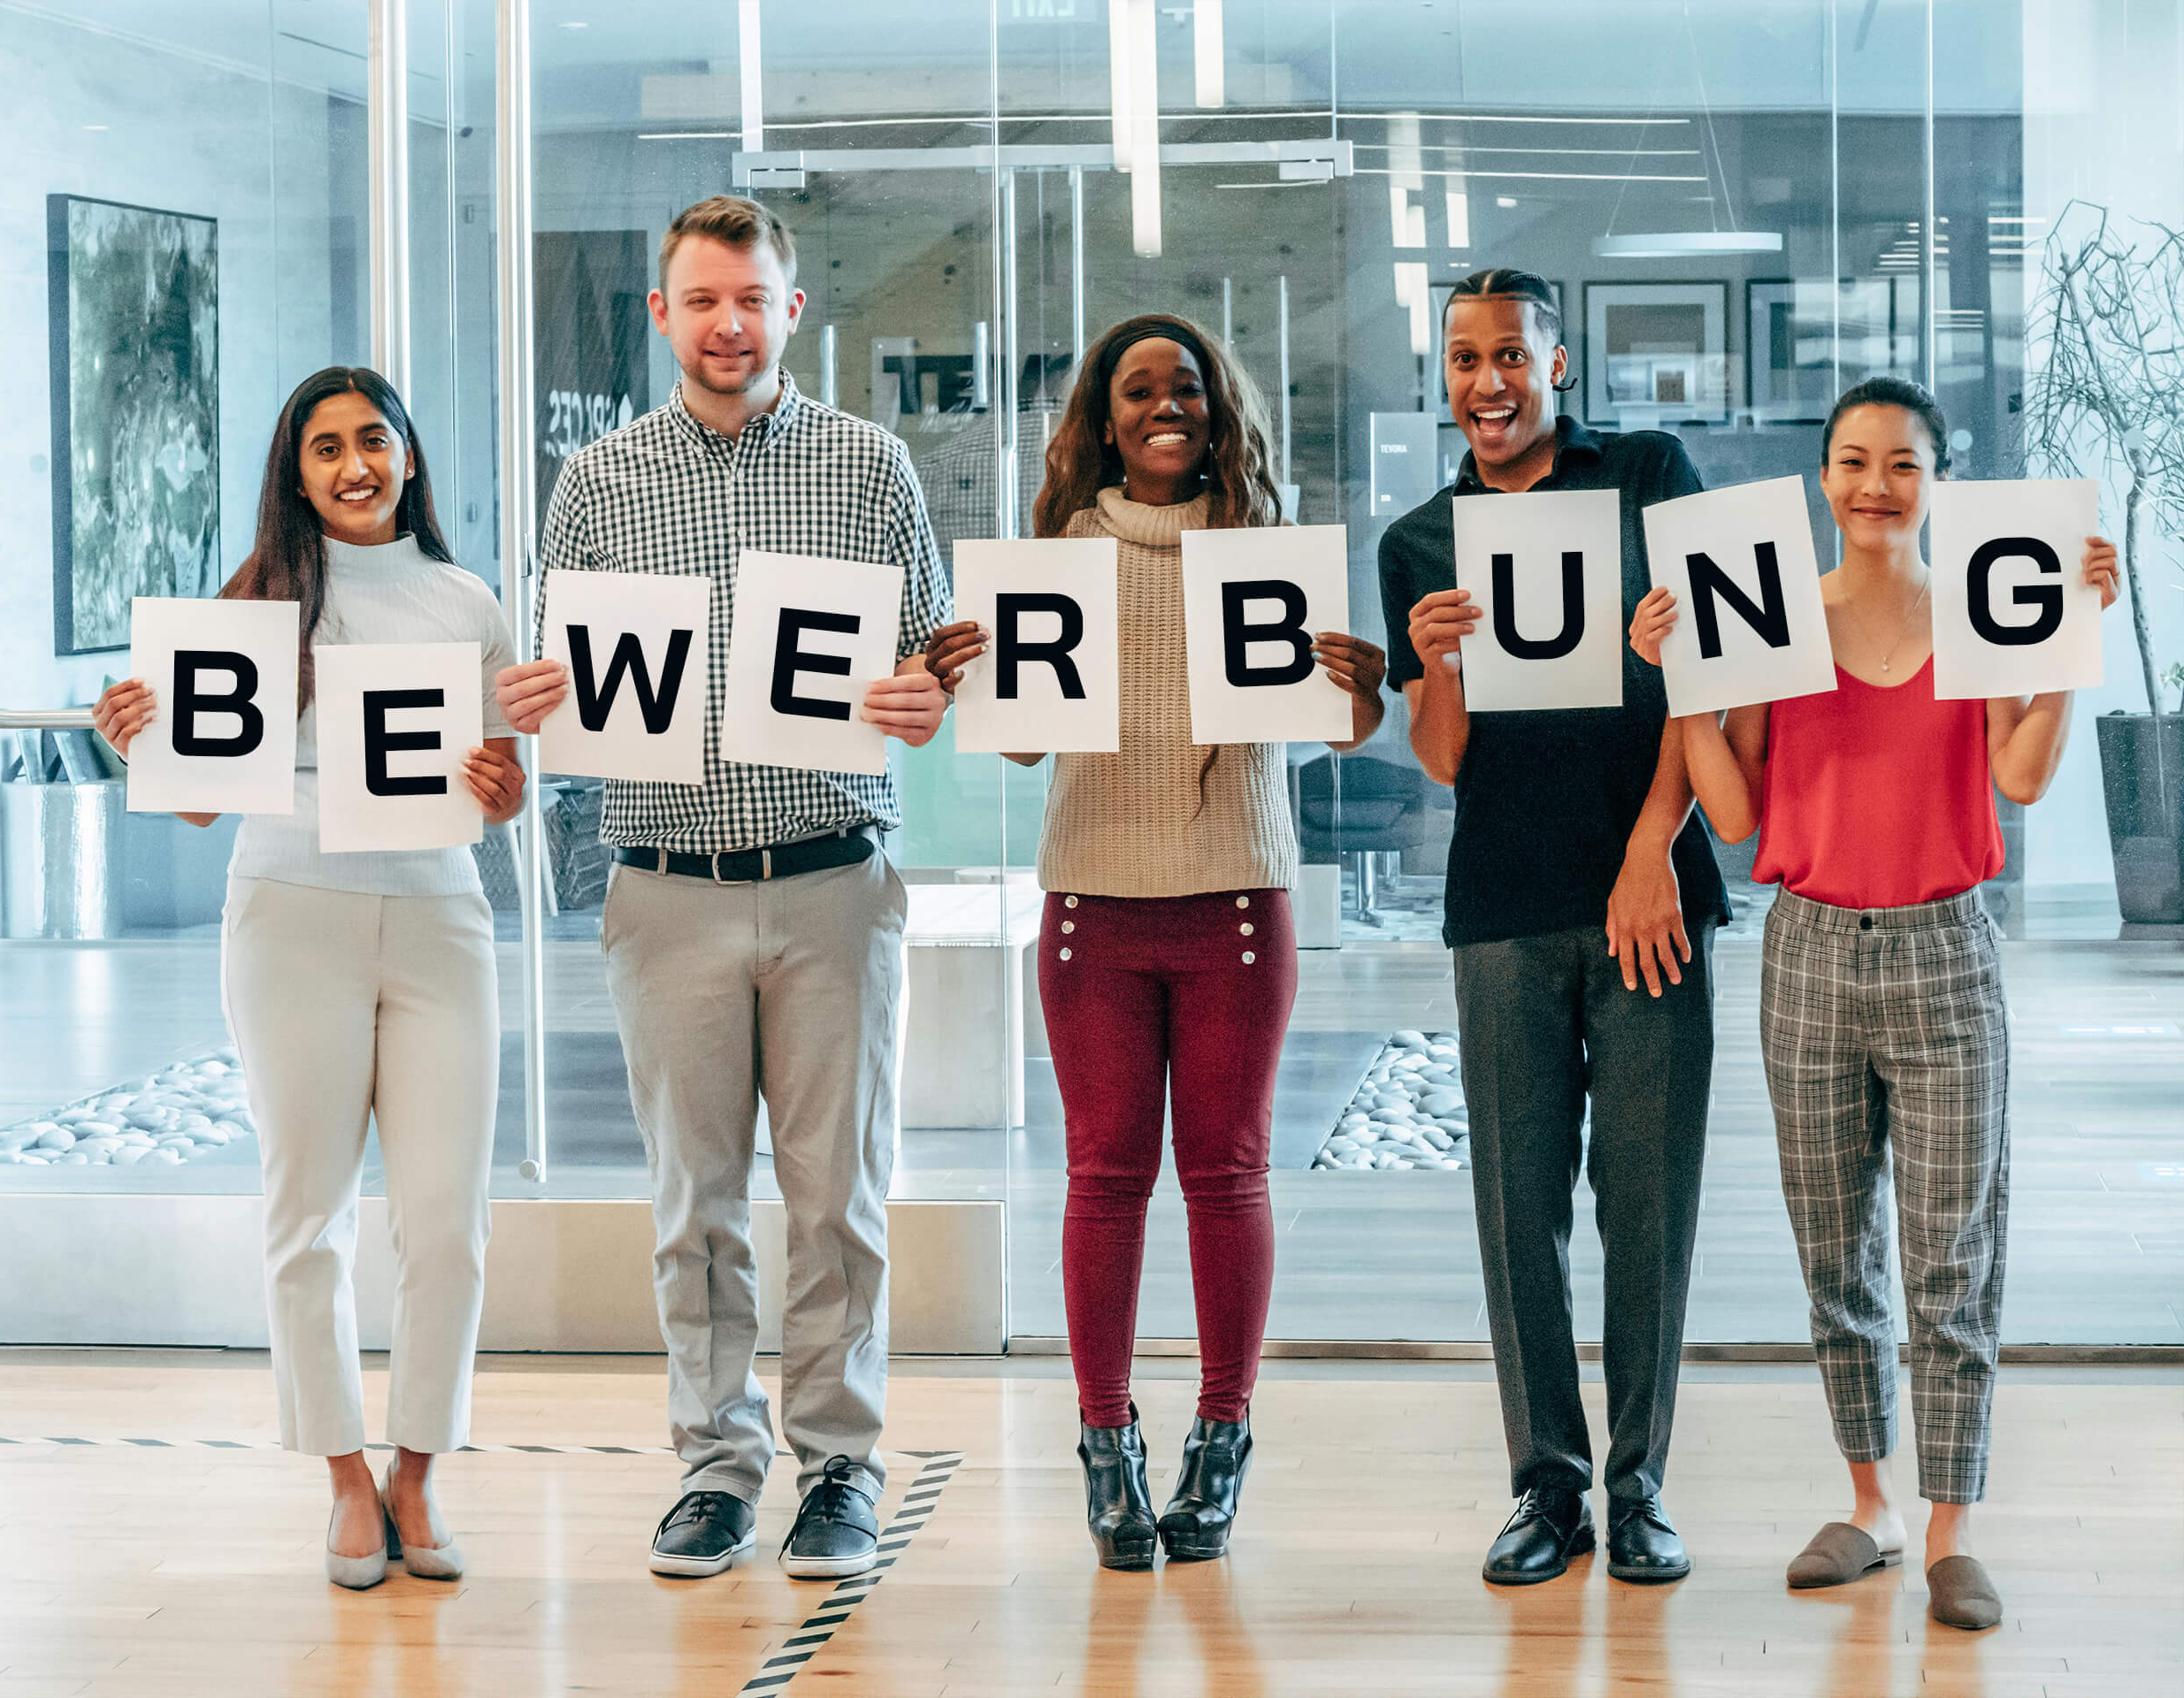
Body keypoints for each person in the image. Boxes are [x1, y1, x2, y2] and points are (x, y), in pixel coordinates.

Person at [494, 195, 949, 1583]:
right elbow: (561, 679)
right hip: (666, 888)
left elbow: (935, 658)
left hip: (833, 884)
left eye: (751, 297)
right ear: (663, 315)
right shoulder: (595, 484)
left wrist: (929, 693)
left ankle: (839, 1466)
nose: (728, 323)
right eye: (701, 299)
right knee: (693, 1204)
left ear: (790, 310)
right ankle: (713, 1463)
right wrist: (532, 698)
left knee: (836, 1200)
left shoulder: (873, 470)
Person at [1628, 377, 2119, 1631]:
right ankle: (1870, 1504)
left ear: (1936, 480)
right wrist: (1684, 678)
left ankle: (1953, 1524)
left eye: (1901, 464)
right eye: (1852, 461)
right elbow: (1733, 816)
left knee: (1953, 1251)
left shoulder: (1986, 612)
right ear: (1823, 477)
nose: (1873, 486)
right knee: (1834, 1249)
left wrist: (2070, 648)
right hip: (1809, 954)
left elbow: (2019, 772)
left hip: (1946, 949)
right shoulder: (1771, 624)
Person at [925, 314, 1387, 1569]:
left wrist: (1362, 685)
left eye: (1187, 386)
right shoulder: (1055, 554)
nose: (1165, 405)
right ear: (1103, 417)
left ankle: (1221, 1438)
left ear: (1218, 408)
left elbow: (1341, 732)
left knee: (1227, 1177)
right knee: (1105, 1179)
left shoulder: (1266, 552)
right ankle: (1107, 1446)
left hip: (1237, 900)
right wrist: (966, 673)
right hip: (1091, 906)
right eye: (1139, 390)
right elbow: (1020, 742)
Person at [91, 367, 525, 1590]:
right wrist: (127, 739)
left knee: (448, 1220)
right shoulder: (252, 611)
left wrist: (508, 790)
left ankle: (418, 1473)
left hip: (443, 918)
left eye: (372, 439)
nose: (353, 465)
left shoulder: (467, 599)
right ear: (295, 473)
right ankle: (343, 1474)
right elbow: (188, 810)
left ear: (408, 454)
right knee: (308, 1213)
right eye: (324, 447)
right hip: (289, 920)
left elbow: (503, 781)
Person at [1378, 268, 1728, 1587]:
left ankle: (1639, 1486)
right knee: (1518, 1211)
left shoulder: (1648, 474)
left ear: (1558, 365)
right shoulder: (1420, 541)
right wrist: (1440, 663)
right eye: (1466, 360)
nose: (1489, 383)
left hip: (1651, 900)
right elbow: (1448, 759)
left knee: (1647, 1206)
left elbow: (1712, 674)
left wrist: (1654, 849)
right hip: (1505, 907)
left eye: (1512, 356)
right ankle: (1548, 1487)